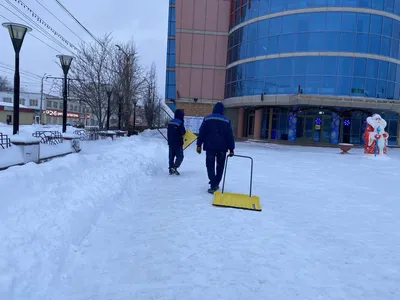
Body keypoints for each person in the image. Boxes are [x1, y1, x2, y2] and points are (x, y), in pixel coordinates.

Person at [196, 102, 235, 194]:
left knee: (210, 165)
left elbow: (202, 132)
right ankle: (216, 183)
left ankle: (213, 184)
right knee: (220, 166)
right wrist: (231, 149)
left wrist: (199, 144)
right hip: (222, 147)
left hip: (210, 146)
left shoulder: (207, 118)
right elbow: (230, 135)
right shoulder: (227, 120)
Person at [167, 109, 186, 175]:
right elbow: (183, 132)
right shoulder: (180, 123)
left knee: (171, 156)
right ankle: (174, 167)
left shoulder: (170, 122)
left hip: (170, 142)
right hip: (178, 142)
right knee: (180, 156)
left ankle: (170, 169)